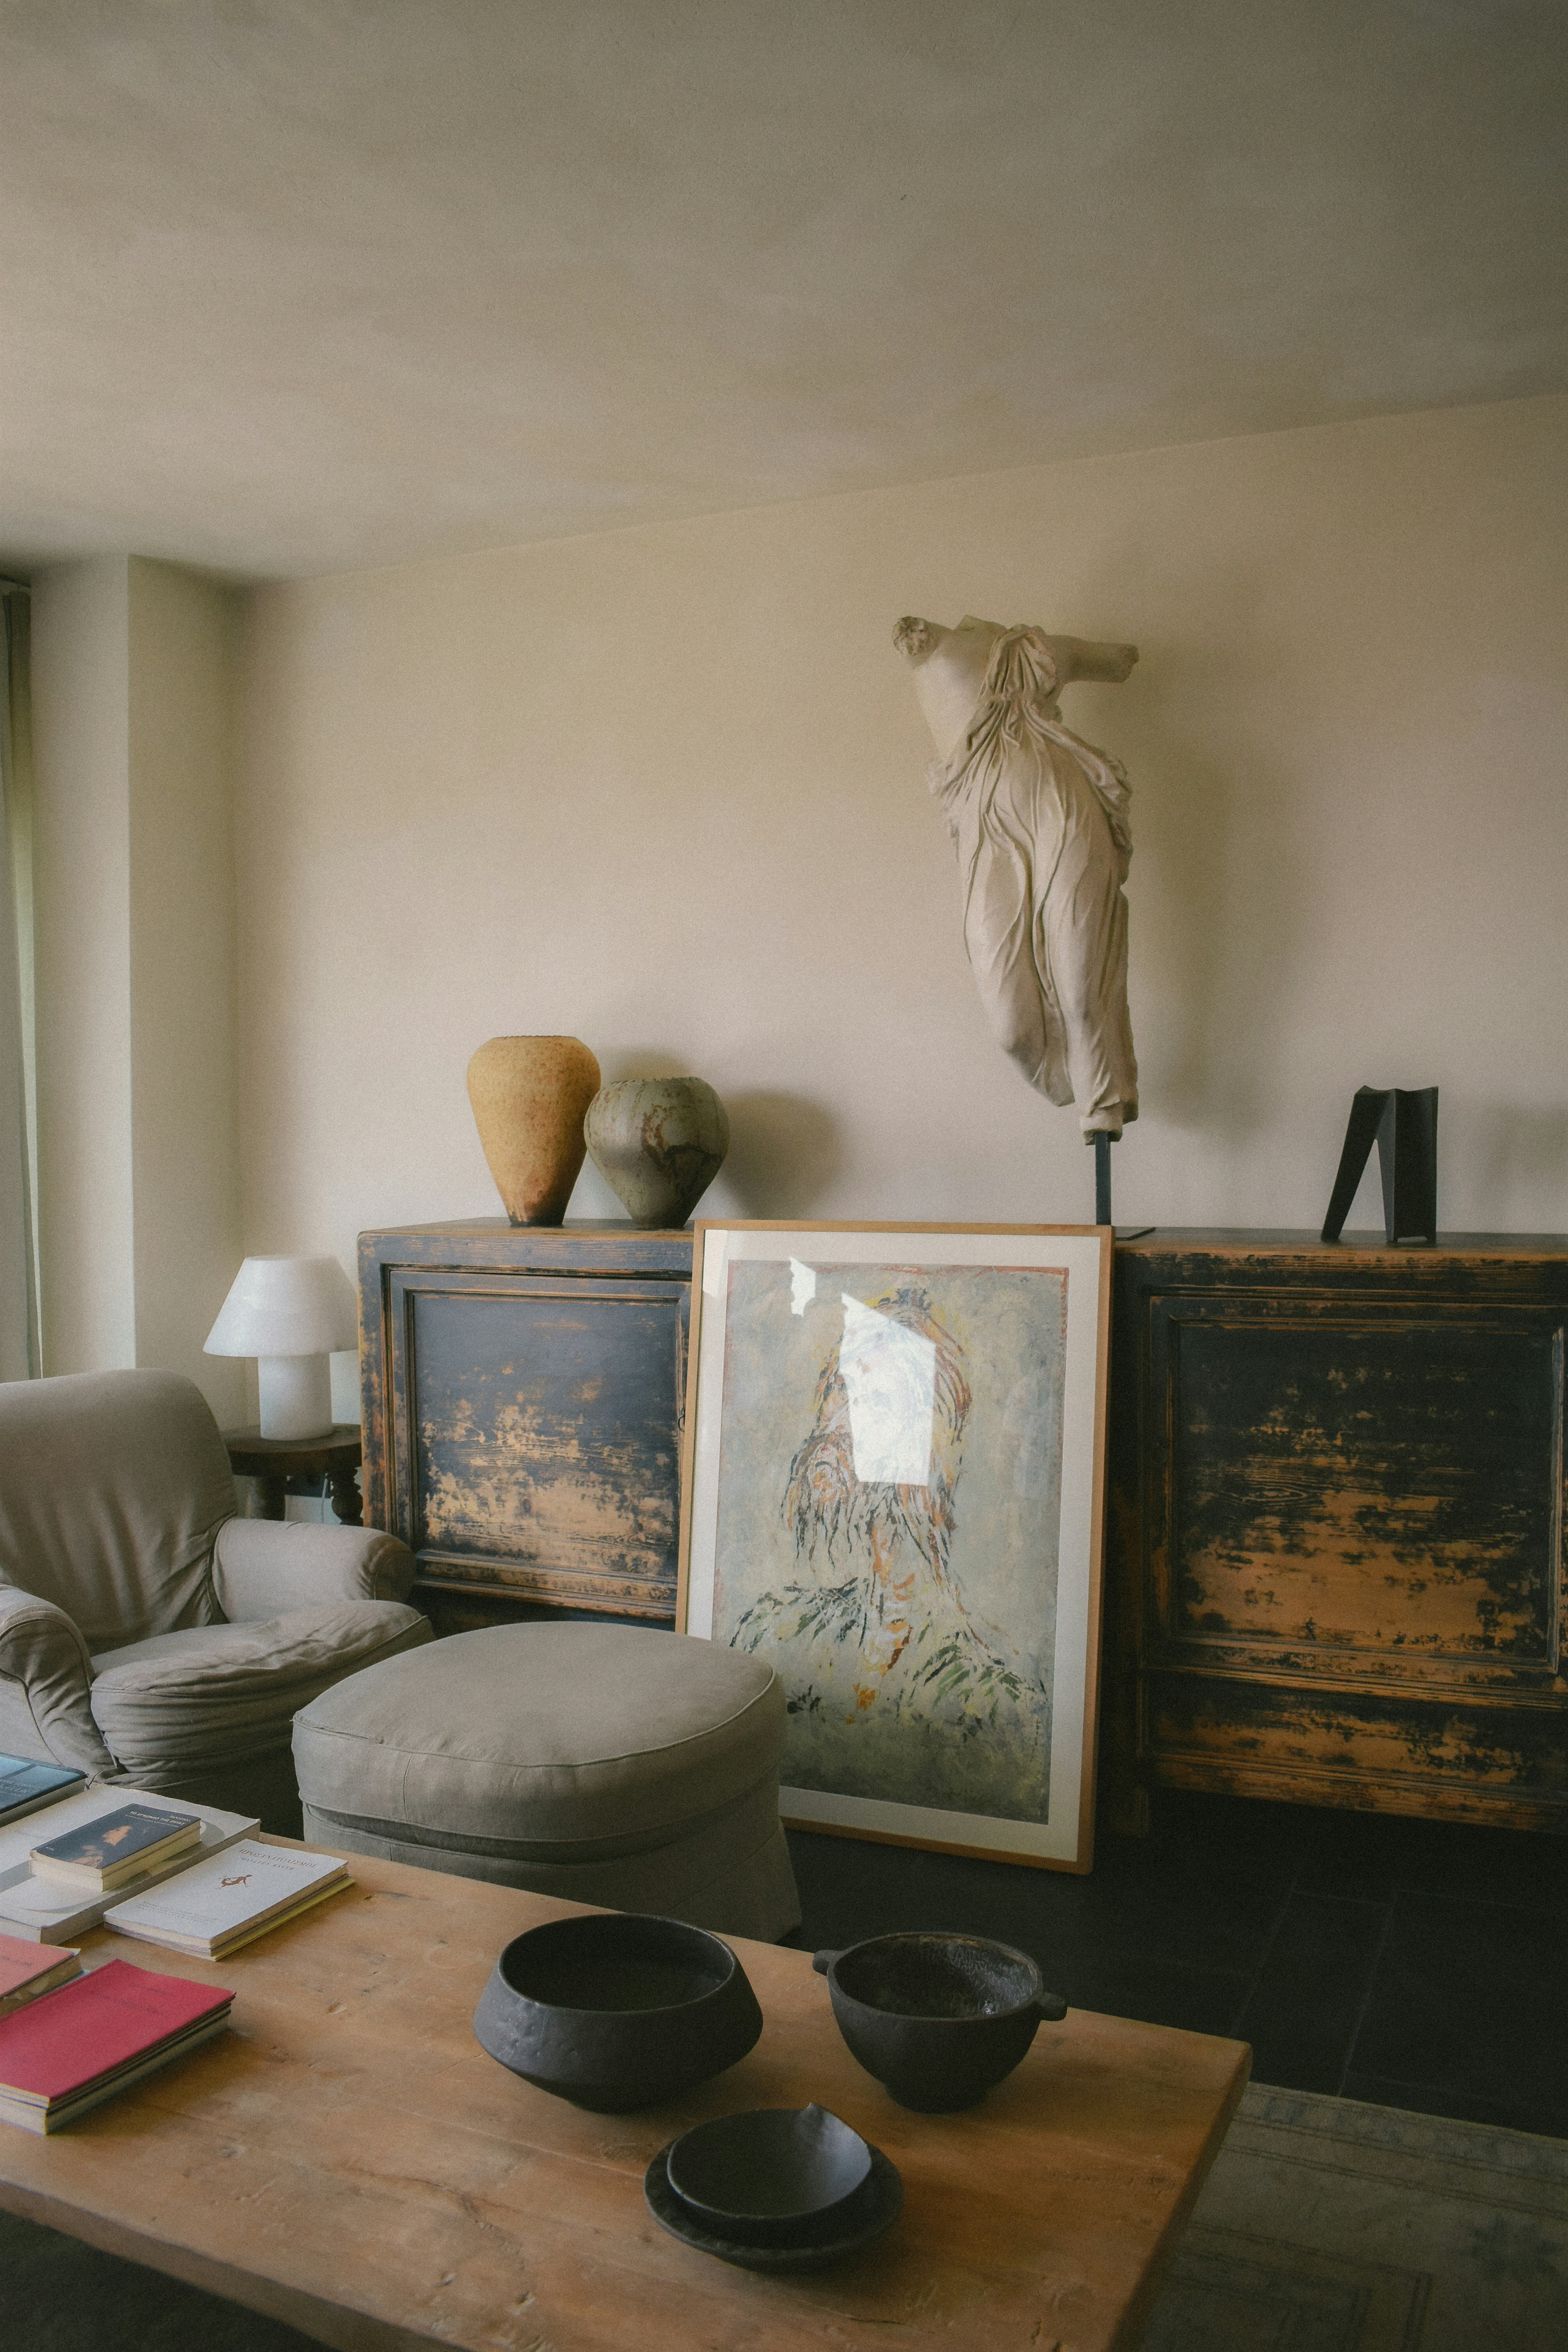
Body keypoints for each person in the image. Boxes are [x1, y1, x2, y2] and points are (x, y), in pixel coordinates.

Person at [894, 612, 1139, 1140]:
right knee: (1011, 1027)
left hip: (1066, 804)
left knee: (1079, 980)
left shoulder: (1038, 647)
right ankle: (1077, 1080)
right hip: (985, 828)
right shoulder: (933, 645)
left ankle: (1100, 1107)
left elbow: (1120, 660)